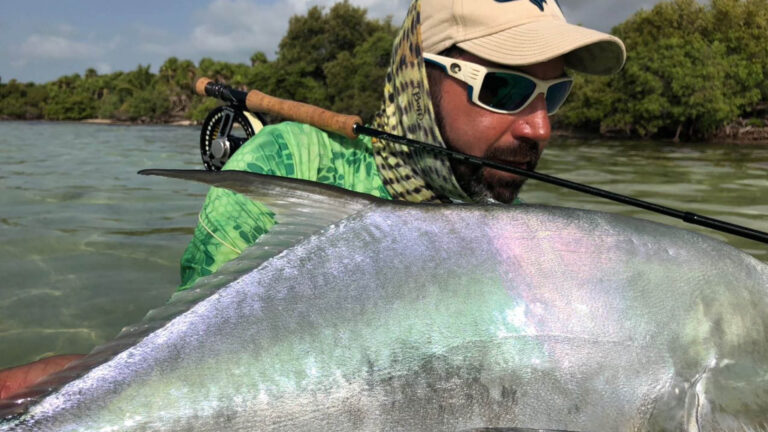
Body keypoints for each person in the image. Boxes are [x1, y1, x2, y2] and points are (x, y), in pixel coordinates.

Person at [0, 0, 624, 401]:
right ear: (419, 80)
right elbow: (178, 367)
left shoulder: (509, 224)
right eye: (507, 87)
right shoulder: (287, 166)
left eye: (555, 93)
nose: (538, 128)